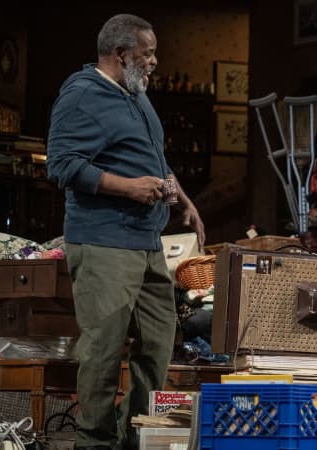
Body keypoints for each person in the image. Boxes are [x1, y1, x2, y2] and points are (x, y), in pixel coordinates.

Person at [46, 14, 205, 450]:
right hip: (103, 241)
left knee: (158, 342)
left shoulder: (136, 94)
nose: (155, 61)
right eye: (147, 53)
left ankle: (135, 432)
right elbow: (61, 165)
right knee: (103, 347)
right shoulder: (81, 96)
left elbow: (153, 159)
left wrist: (184, 200)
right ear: (121, 54)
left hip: (147, 242)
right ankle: (93, 441)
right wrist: (127, 187)